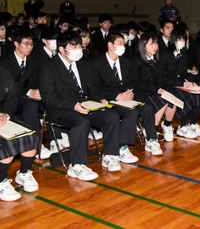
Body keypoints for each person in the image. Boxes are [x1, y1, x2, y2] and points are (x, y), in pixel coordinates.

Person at [39, 31, 123, 180]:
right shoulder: (48, 67)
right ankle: (76, 165)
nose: (78, 49)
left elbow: (93, 89)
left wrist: (100, 100)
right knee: (81, 121)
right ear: (62, 49)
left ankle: (110, 155)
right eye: (73, 46)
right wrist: (73, 106)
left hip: (86, 104)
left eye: (79, 45)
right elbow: (49, 98)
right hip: (61, 108)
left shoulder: (84, 64)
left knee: (111, 116)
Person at [91, 33, 162, 157]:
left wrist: (129, 91)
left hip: (125, 98)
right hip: (109, 100)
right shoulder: (97, 64)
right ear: (110, 45)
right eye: (119, 44)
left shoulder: (125, 62)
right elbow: (95, 88)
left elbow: (130, 81)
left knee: (147, 108)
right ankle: (122, 147)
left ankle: (152, 140)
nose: (123, 46)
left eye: (124, 44)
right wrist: (117, 96)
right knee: (132, 112)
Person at [0, 30, 49, 159]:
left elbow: (35, 80)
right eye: (26, 44)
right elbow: (10, 86)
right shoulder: (5, 62)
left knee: (34, 103)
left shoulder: (34, 61)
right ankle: (35, 145)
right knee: (30, 104)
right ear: (16, 44)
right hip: (8, 97)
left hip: (24, 96)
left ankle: (37, 144)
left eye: (31, 44)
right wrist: (28, 91)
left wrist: (35, 90)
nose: (29, 47)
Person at [0, 66, 39, 201]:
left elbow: (12, 97)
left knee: (28, 134)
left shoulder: (5, 71)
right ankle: (0, 181)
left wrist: (4, 114)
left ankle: (23, 173)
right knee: (7, 143)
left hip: (4, 117)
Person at [131, 33, 177, 142]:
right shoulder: (136, 60)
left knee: (171, 99)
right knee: (162, 101)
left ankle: (167, 125)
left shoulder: (157, 58)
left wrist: (161, 88)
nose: (155, 46)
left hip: (154, 89)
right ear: (143, 45)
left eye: (156, 43)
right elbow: (136, 82)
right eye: (152, 44)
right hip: (142, 92)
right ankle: (152, 129)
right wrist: (155, 89)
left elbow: (160, 76)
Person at [160, 27, 200, 138]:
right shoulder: (165, 55)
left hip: (180, 84)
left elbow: (184, 74)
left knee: (198, 96)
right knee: (186, 98)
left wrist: (190, 83)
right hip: (167, 86)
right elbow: (163, 77)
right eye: (179, 40)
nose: (181, 43)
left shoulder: (184, 55)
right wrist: (182, 84)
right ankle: (182, 126)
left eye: (183, 40)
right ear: (173, 40)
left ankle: (193, 123)